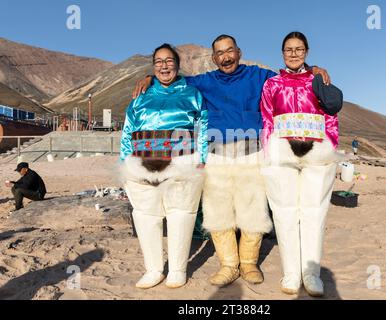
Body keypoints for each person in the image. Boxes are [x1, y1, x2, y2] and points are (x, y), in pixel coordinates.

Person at [132, 35, 331, 287]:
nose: (225, 57)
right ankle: (228, 264)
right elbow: (172, 79)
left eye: (229, 51)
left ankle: (248, 263)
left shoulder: (259, 76)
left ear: (238, 52)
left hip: (252, 154)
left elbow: (289, 74)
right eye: (219, 53)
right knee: (218, 213)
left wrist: (312, 69)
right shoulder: (204, 82)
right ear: (214, 58)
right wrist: (150, 78)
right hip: (217, 155)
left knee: (254, 211)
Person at [259, 31, 343, 297]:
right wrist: (269, 151)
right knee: (284, 213)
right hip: (282, 153)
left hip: (316, 154)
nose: (294, 54)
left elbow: (331, 116)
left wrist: (328, 146)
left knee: (313, 212)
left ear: (306, 51)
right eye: (288, 49)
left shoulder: (318, 80)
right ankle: (291, 273)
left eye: (298, 49)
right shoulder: (272, 84)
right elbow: (267, 119)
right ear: (282, 53)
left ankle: (311, 273)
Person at [120, 43, 208, 289]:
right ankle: (154, 269)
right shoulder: (140, 96)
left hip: (182, 160)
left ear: (177, 65)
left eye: (169, 61)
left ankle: (178, 269)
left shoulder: (192, 94)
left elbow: (203, 127)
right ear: (152, 66)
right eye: (158, 61)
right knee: (147, 215)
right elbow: (128, 130)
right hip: (143, 161)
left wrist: (201, 159)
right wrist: (125, 162)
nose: (164, 66)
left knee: (180, 214)